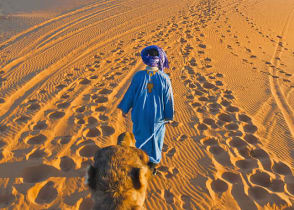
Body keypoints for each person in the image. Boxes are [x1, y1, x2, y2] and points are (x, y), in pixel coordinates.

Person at [118, 45, 174, 174]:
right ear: (160, 59)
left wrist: (125, 109)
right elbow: (168, 98)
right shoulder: (165, 78)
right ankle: (152, 165)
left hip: (140, 114)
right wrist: (169, 115)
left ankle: (140, 161)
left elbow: (130, 94)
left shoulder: (138, 76)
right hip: (157, 116)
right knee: (155, 139)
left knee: (140, 137)